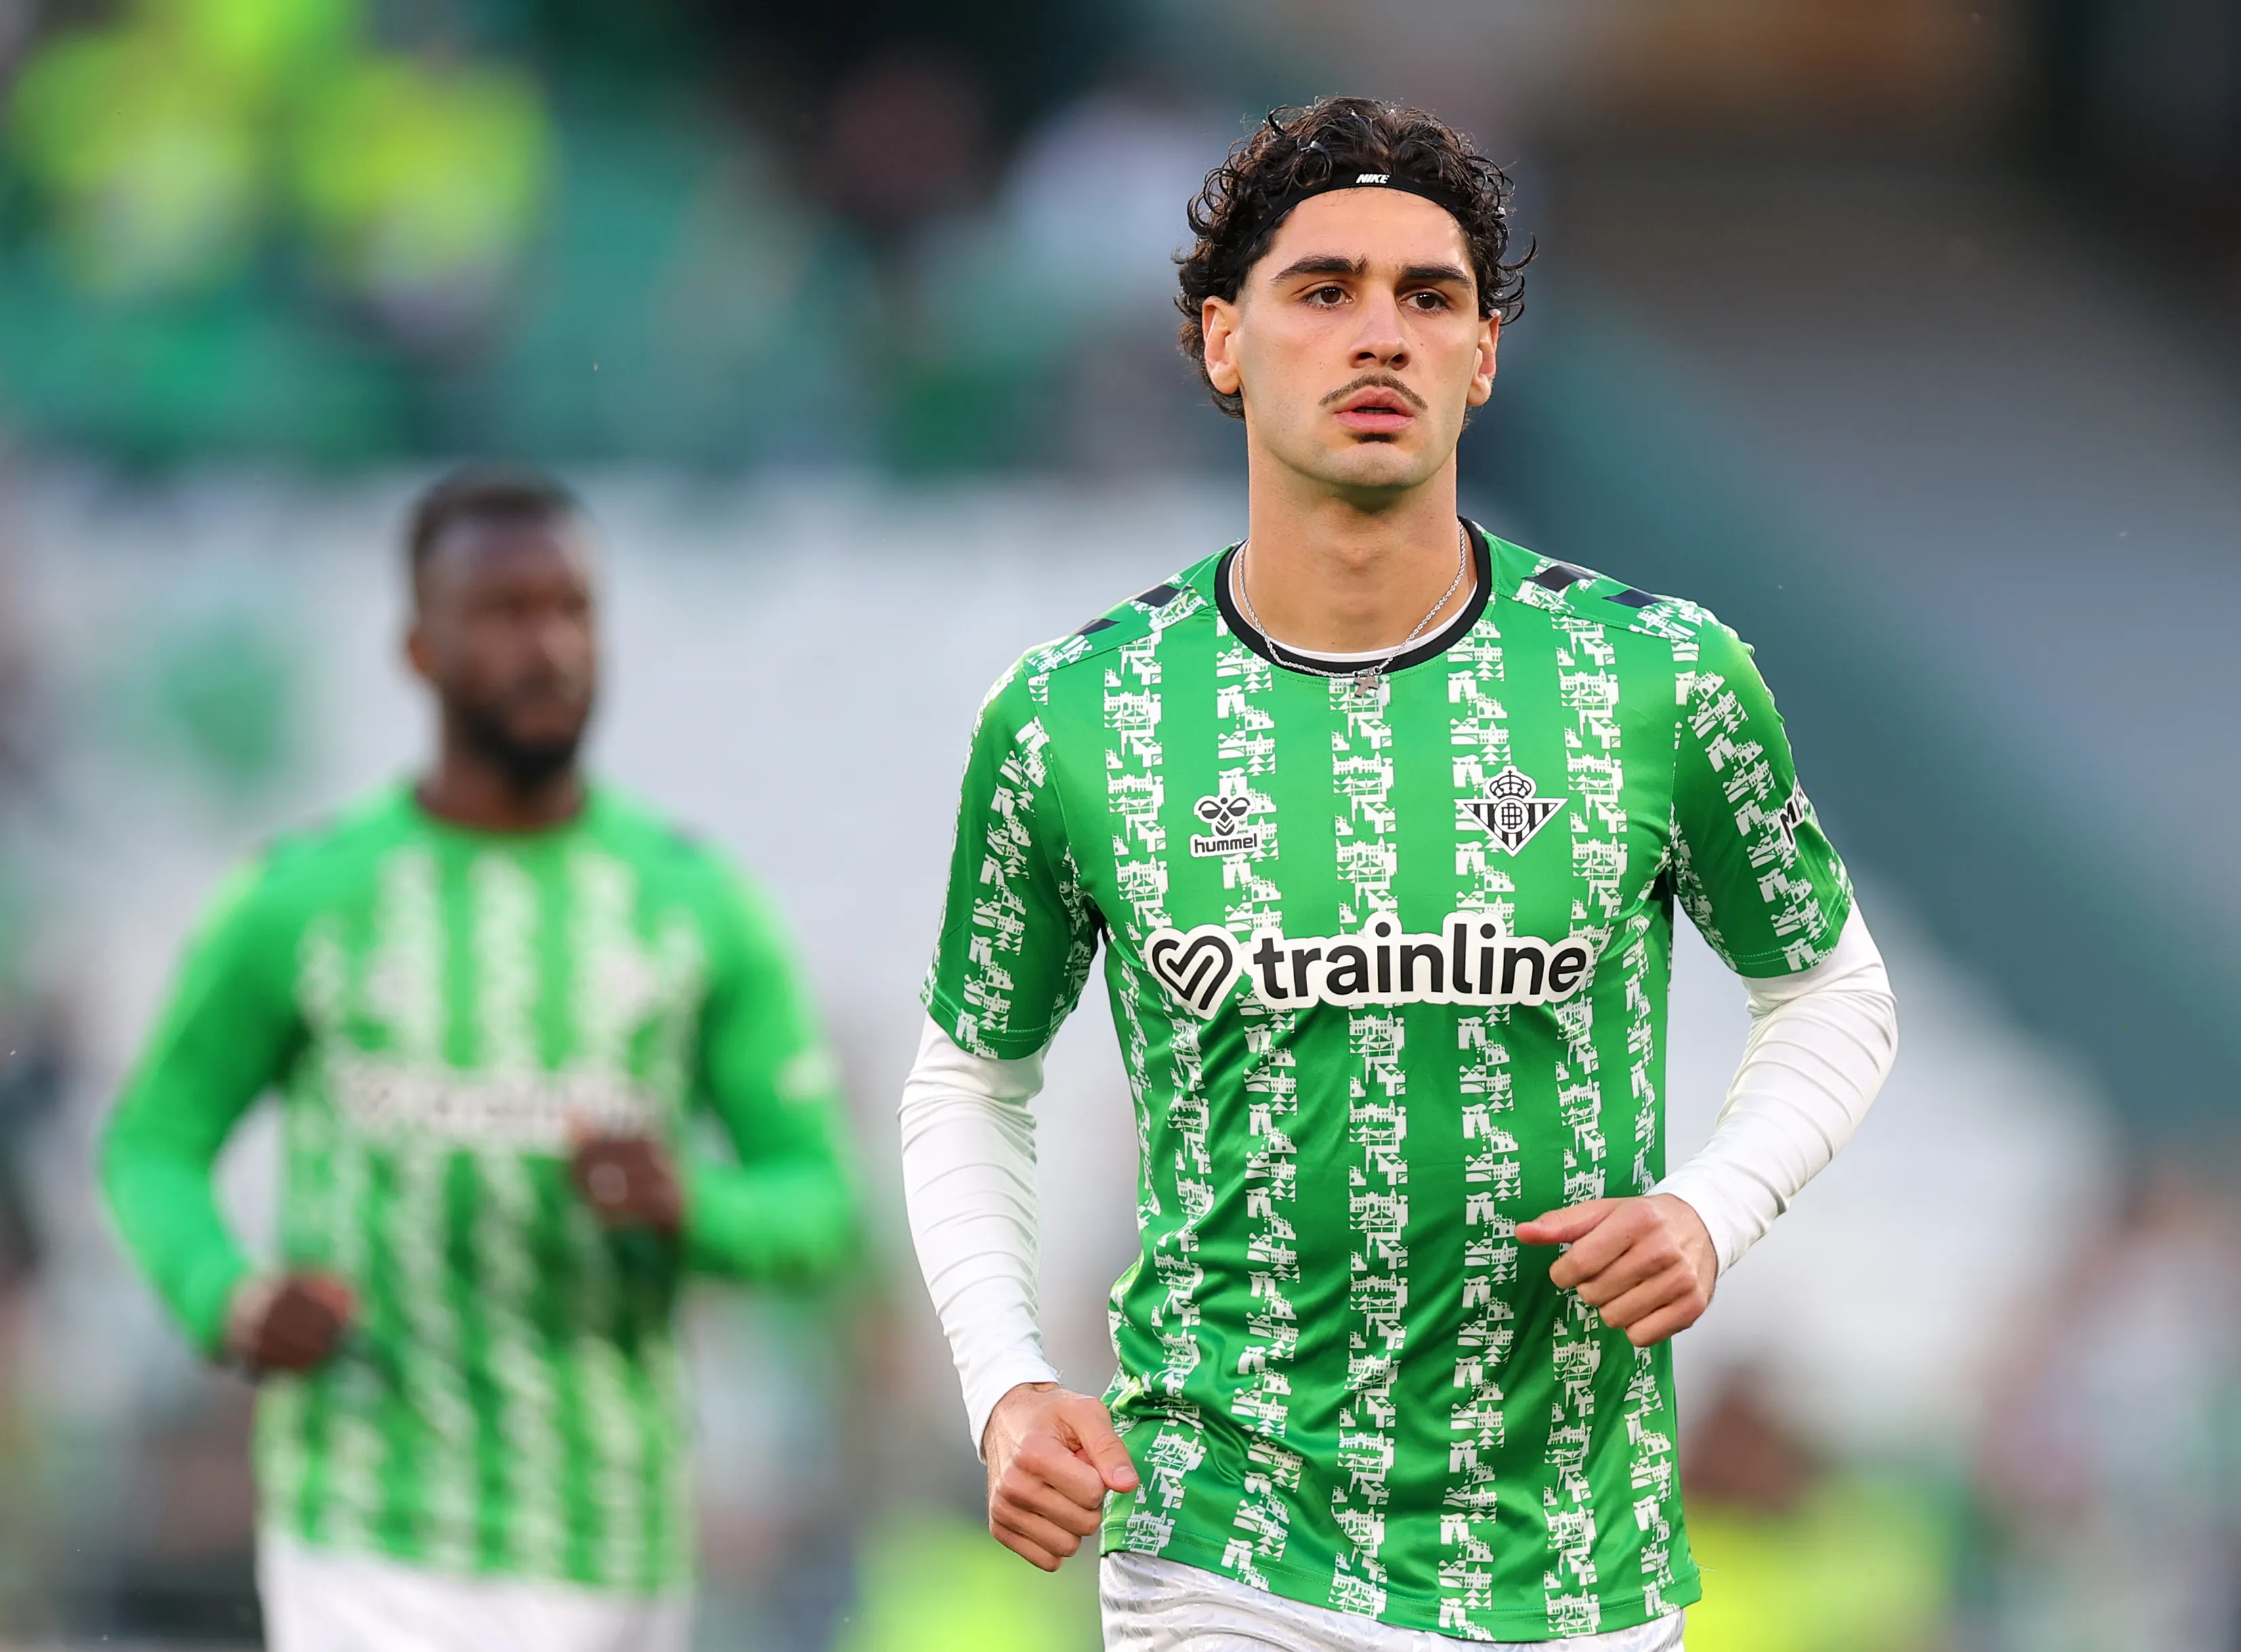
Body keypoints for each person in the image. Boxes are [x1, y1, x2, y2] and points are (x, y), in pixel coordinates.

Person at [899, 97, 1899, 1649]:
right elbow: (971, 1074)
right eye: (1325, 290)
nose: (1381, 335)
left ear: (1483, 359)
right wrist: (1003, 1380)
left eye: (1429, 298)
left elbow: (1831, 988)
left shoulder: (1659, 679)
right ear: (1221, 342)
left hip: (1576, 1561)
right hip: (1219, 1541)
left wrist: (1714, 1203)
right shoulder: (1073, 713)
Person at [102, 468, 859, 1652]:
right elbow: (154, 1141)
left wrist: (691, 1205)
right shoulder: (308, 898)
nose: (546, 645)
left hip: (611, 1538)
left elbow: (819, 1204)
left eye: (571, 610)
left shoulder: (694, 909)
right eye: (503, 613)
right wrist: (226, 1294)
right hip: (366, 1523)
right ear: (418, 648)